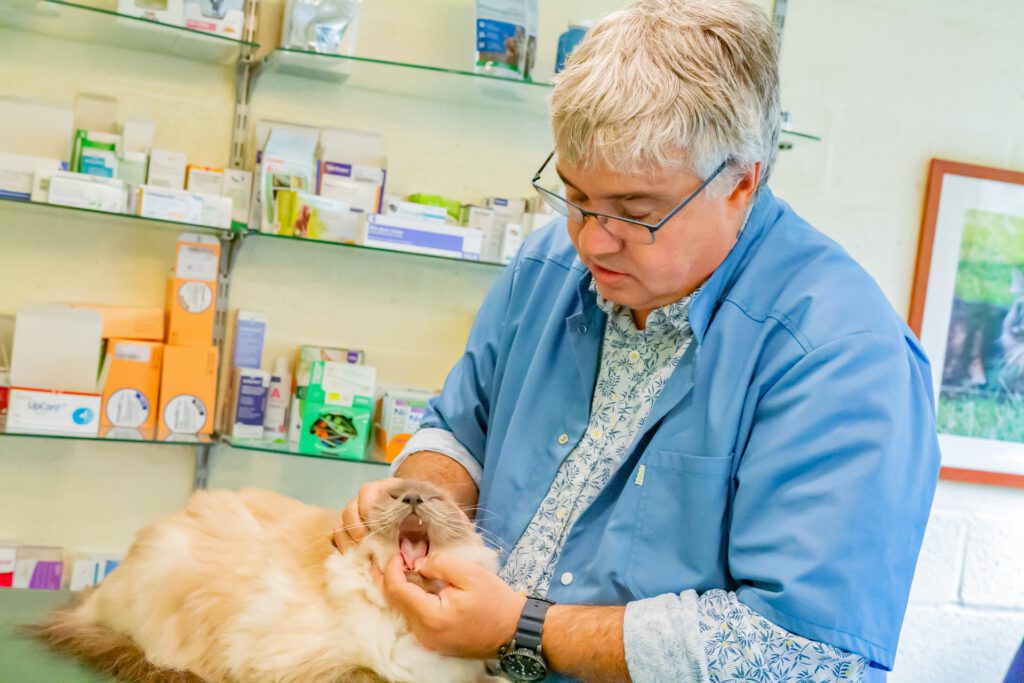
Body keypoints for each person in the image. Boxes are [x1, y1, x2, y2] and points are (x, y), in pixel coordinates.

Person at [336, 0, 940, 680]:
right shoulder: (545, 268)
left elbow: (800, 653)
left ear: (742, 183)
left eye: (635, 211)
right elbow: (459, 428)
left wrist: (520, 628)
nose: (592, 239)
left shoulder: (840, 355)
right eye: (574, 195)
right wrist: (422, 500)